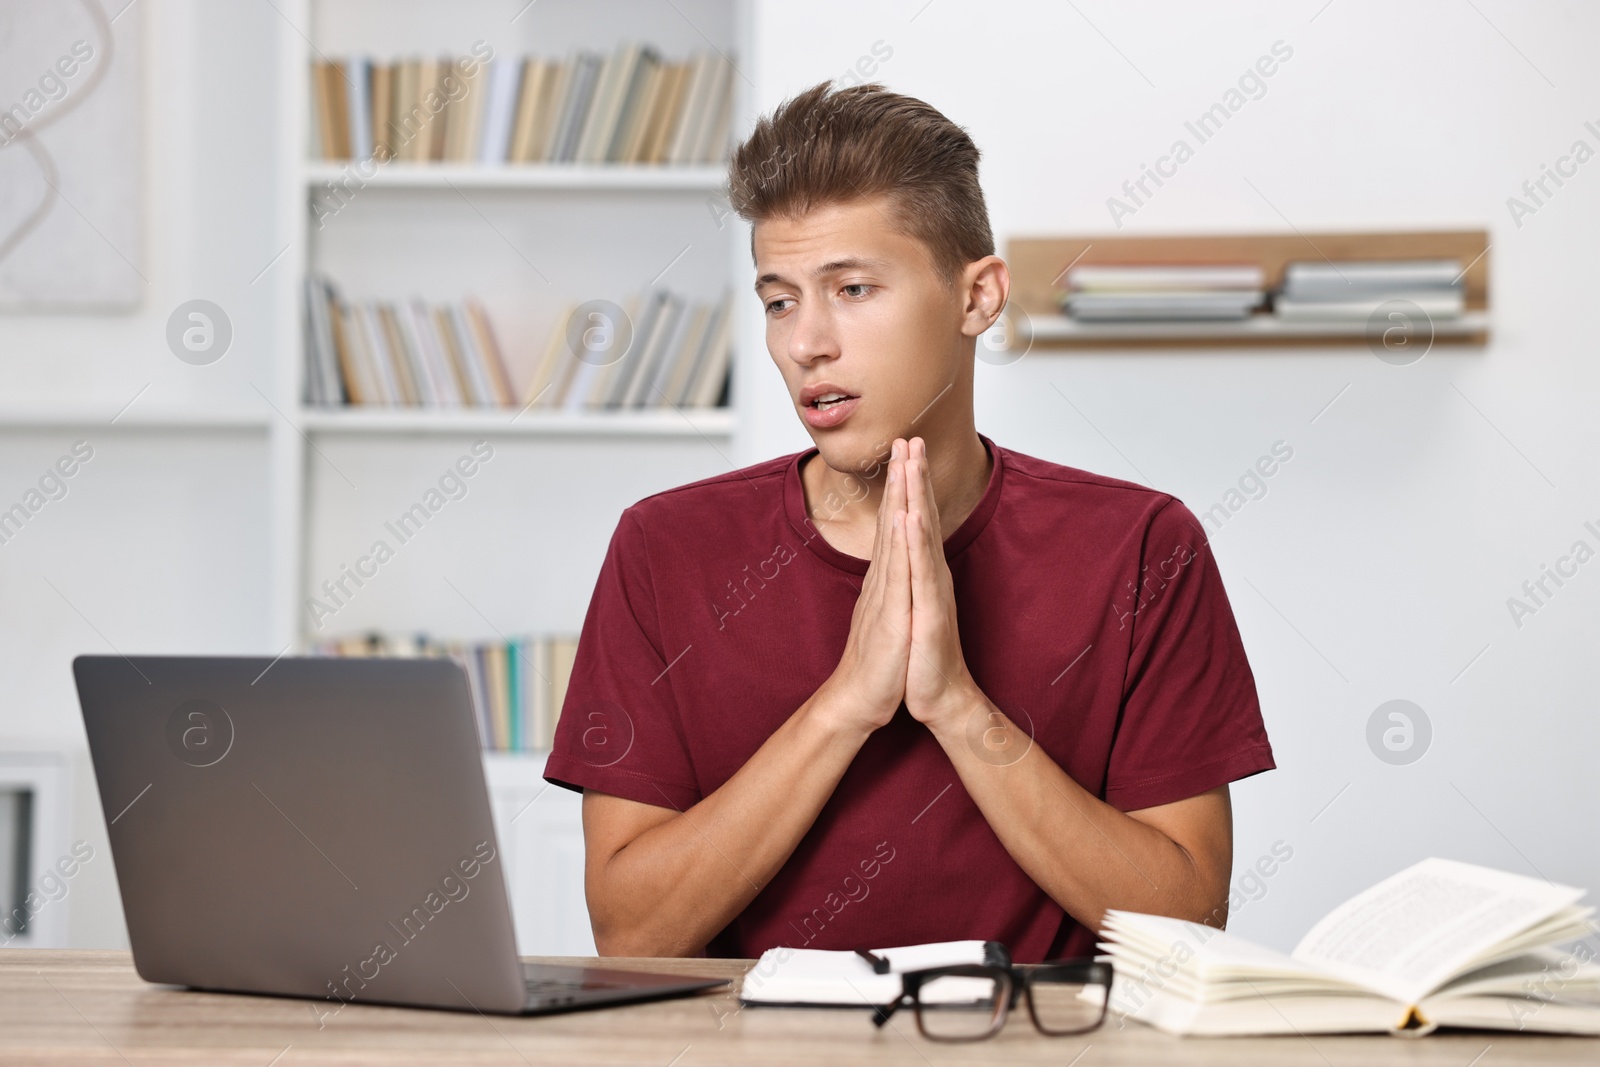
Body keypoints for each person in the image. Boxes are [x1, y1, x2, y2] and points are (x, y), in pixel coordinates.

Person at [543, 79, 1275, 962]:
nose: (807, 341)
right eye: (780, 300)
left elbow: (1188, 923)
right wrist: (848, 702)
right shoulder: (666, 548)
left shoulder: (1143, 547)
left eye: (852, 288)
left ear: (978, 297)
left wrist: (955, 705)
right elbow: (629, 930)